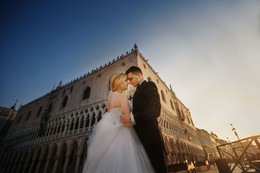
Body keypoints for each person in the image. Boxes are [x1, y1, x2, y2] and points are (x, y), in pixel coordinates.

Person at [83, 73, 155, 173]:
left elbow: (111, 115)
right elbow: (126, 119)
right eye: (125, 81)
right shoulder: (123, 97)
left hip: (113, 131)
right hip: (125, 133)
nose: (128, 83)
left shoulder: (110, 98)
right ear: (120, 83)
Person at [121, 66, 168, 173]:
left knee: (158, 168)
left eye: (131, 78)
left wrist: (134, 117)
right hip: (142, 138)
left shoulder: (148, 85)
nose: (129, 82)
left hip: (151, 138)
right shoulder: (137, 91)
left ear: (140, 75)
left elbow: (155, 110)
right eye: (127, 80)